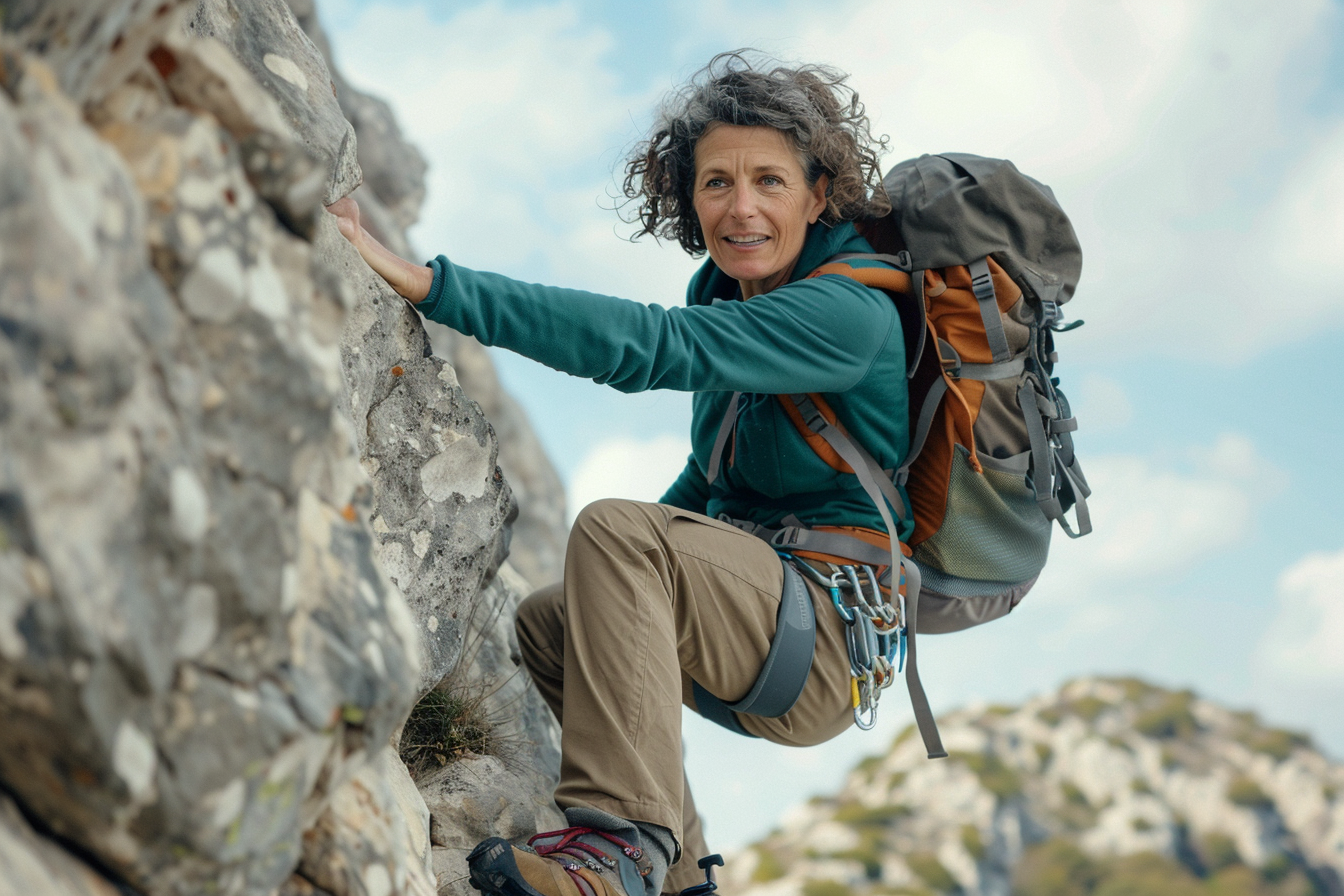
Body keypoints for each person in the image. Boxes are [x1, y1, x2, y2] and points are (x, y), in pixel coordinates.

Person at [330, 51, 912, 896]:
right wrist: (616, 570)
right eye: (716, 182)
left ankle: (616, 853)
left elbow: (655, 347)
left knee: (615, 533)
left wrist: (431, 285)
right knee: (550, 620)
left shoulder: (845, 313)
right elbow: (708, 494)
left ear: (819, 194)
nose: (740, 207)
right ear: (688, 196)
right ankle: (683, 879)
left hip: (820, 638)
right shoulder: (730, 297)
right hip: (766, 619)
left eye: (769, 182)